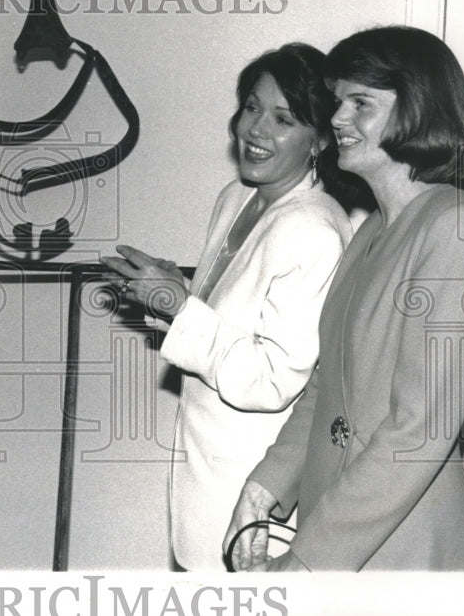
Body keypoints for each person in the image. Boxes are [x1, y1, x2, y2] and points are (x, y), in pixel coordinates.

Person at [225, 26, 464, 572]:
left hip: (404, 546)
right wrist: (265, 485)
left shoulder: (457, 226)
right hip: (340, 530)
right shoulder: (369, 230)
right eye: (338, 101)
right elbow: (329, 386)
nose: (338, 119)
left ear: (416, 111)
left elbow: (421, 429)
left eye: (360, 104)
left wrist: (307, 560)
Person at [102, 43, 355, 571]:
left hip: (252, 489)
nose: (256, 129)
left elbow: (271, 380)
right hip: (201, 475)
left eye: (283, 118)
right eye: (251, 107)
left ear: (321, 141)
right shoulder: (236, 197)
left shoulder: (314, 228)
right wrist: (171, 292)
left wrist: (178, 306)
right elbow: (226, 322)